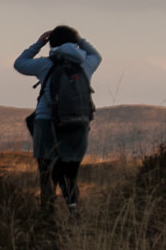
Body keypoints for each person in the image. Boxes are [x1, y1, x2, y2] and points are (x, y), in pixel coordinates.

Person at [14, 25, 101, 212]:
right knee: (69, 169)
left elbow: (19, 64)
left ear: (51, 43)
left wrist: (38, 44)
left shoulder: (45, 64)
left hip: (46, 121)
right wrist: (80, 40)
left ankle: (47, 210)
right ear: (75, 43)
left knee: (46, 168)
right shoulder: (85, 64)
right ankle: (73, 206)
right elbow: (97, 56)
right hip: (78, 122)